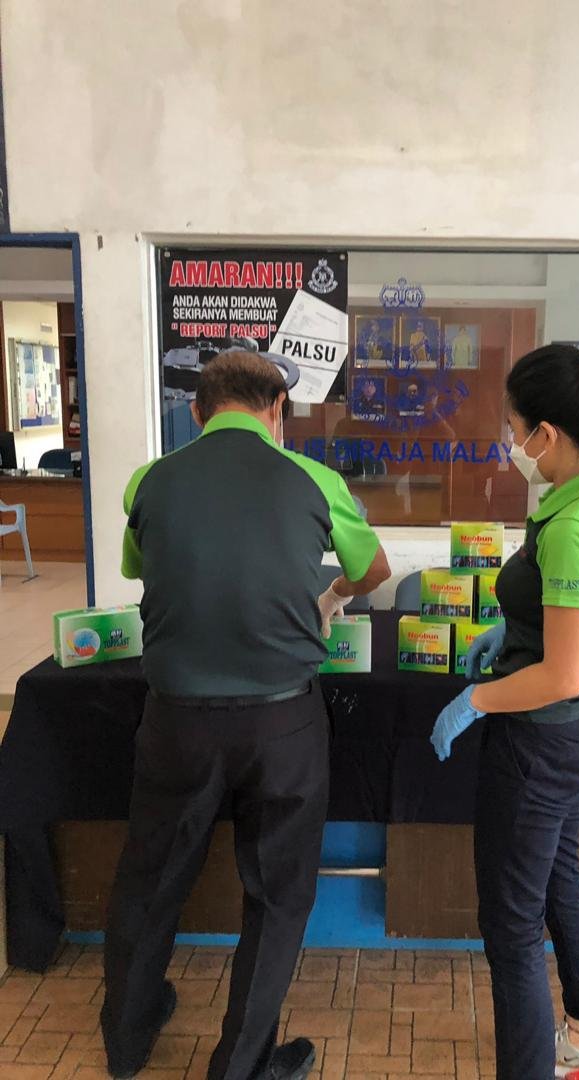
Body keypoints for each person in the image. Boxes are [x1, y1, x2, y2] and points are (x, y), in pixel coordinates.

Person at [101, 350, 390, 1080]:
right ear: (278, 411)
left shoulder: (150, 480)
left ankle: (126, 1041)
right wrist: (329, 597)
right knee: (277, 896)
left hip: (175, 721)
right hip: (280, 724)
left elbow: (139, 567)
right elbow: (375, 570)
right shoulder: (315, 479)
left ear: (196, 411)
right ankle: (241, 1066)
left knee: (150, 879)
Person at [431, 342, 579, 1080]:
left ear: (548, 435)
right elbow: (561, 628)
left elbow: (563, 673)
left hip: (540, 743)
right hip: (573, 733)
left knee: (512, 930)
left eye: (516, 429)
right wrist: (513, 629)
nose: (511, 443)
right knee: (558, 878)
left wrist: (476, 699)